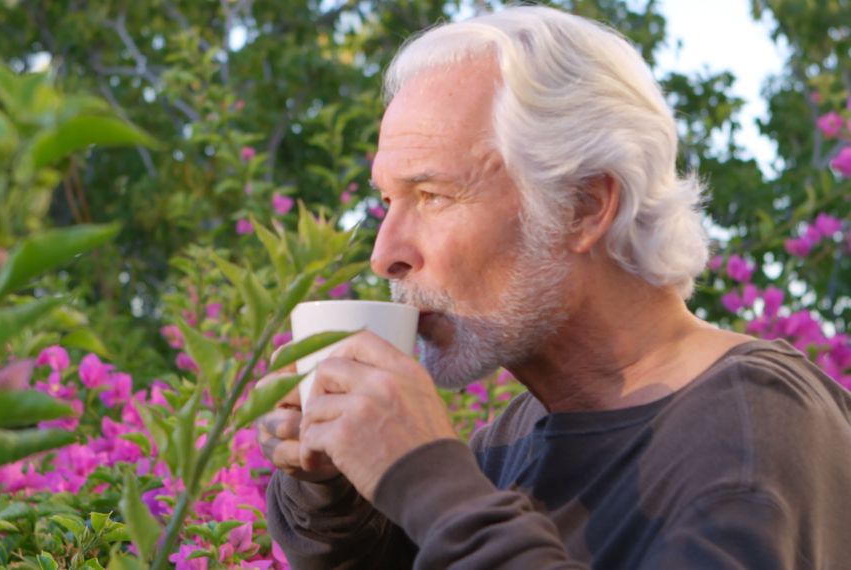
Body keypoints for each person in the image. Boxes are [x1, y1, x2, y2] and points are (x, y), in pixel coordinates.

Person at [258, 5, 851, 569]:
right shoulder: (515, 437)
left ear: (583, 207)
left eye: (433, 196)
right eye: (388, 202)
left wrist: (426, 476)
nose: (384, 254)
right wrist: (333, 488)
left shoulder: (752, 426)